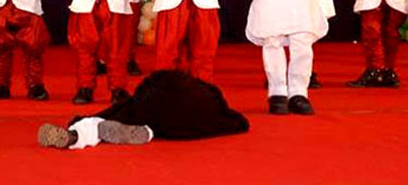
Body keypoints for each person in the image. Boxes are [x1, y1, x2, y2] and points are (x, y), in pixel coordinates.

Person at [37, 70, 249, 149]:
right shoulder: (220, 116)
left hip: (159, 96)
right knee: (151, 121)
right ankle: (147, 132)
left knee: (125, 110)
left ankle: (78, 135)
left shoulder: (210, 97)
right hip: (176, 123)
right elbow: (241, 123)